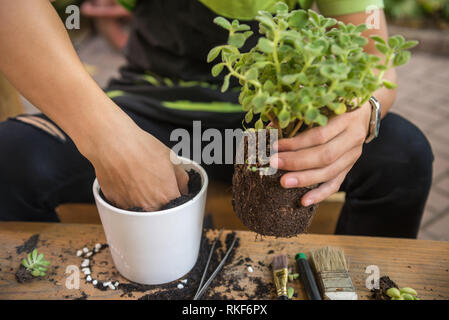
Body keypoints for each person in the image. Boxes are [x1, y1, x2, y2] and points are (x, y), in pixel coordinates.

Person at [0, 0, 433, 238]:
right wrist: (106, 137)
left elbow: (375, 61)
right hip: (148, 111)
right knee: (11, 158)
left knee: (402, 156)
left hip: (272, 126)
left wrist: (364, 113)